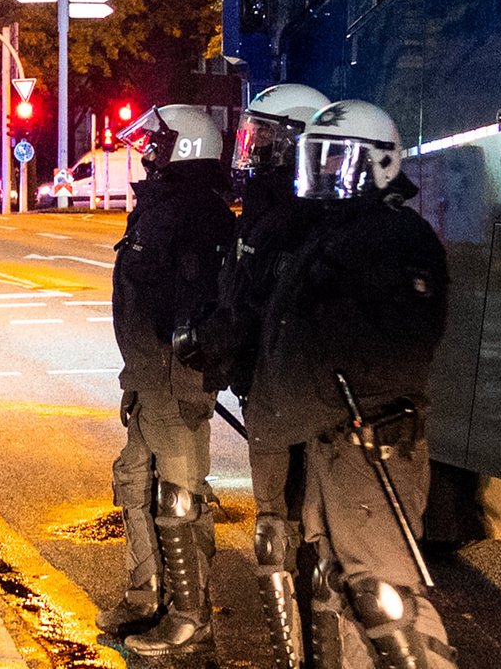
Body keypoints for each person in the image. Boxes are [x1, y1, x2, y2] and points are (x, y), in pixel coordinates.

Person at [251, 100, 454, 669]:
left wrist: (359, 395)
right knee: (343, 587)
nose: (324, 171)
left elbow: (407, 339)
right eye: (317, 157)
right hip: (328, 434)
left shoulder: (396, 237)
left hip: (371, 437)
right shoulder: (328, 233)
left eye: (338, 158)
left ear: (380, 164)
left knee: (383, 595)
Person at [175, 83, 328, 669]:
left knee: (314, 532)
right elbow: (240, 297)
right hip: (263, 389)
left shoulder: (311, 218)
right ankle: (290, 655)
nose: (253, 146)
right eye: (252, 134)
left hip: (304, 396)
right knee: (272, 530)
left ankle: (323, 653)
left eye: (265, 136)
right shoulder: (261, 213)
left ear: (295, 142)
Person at [98, 104, 236, 657]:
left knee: (180, 497)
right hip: (149, 375)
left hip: (176, 381)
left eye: (157, 143)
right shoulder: (162, 205)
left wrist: (184, 370)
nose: (147, 151)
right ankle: (145, 594)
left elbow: (198, 306)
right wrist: (136, 374)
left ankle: (189, 615)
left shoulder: (198, 213)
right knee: (134, 481)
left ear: (185, 147)